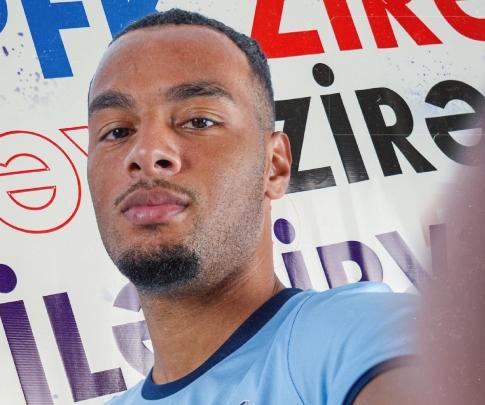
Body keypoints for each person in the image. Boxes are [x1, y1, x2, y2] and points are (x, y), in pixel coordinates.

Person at [86, 9, 418, 405]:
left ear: (274, 166)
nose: (145, 153)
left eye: (198, 121)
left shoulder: (364, 333)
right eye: (117, 131)